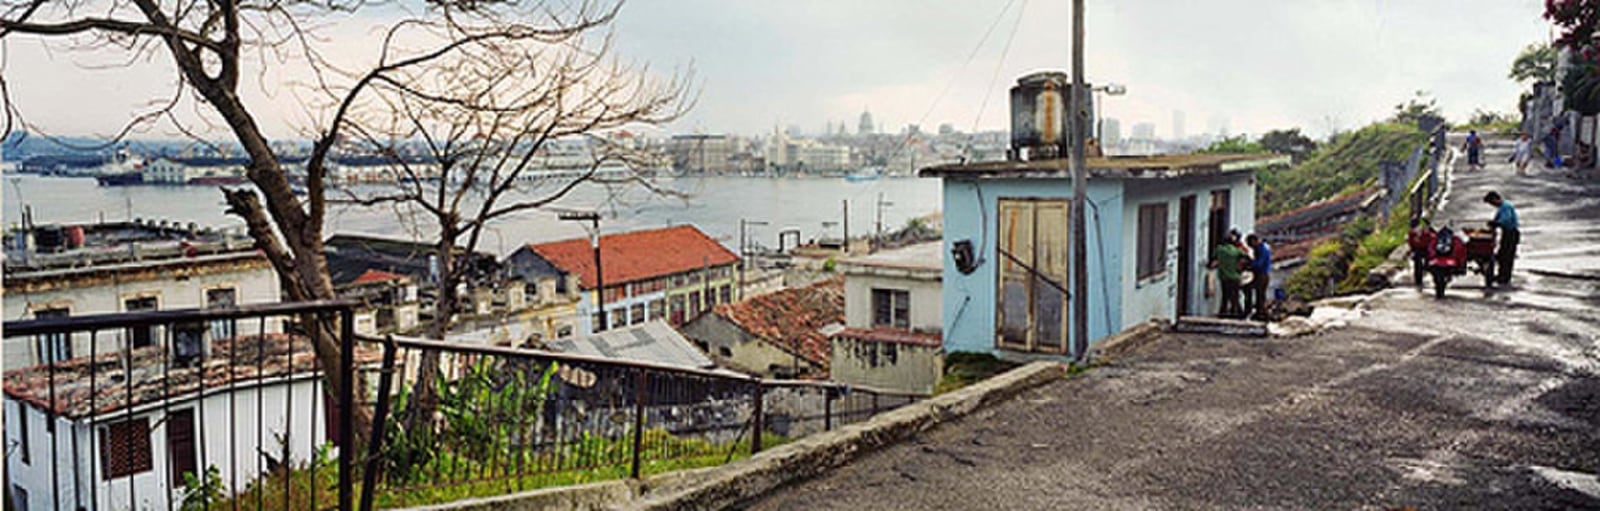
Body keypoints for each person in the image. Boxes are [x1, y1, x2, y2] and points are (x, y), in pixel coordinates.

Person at [1483, 191, 1519, 287]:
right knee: (1502, 254)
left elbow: (1505, 220)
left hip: (1511, 233)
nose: (1492, 205)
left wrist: (1496, 223)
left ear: (1495, 199)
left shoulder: (1506, 207)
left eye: (1492, 203)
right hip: (1506, 233)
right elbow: (1497, 219)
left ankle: (1505, 277)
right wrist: (1493, 223)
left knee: (1506, 255)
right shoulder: (1501, 208)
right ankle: (1502, 275)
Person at [1209, 231, 1248, 318]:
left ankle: (1223, 313)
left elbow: (1213, 260)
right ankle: (1236, 314)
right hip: (1235, 277)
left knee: (1225, 296)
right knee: (1235, 298)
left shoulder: (1219, 249)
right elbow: (1247, 257)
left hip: (1224, 277)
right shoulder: (1236, 251)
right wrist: (1240, 266)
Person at [1243, 233, 1272, 320]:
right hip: (1261, 274)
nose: (1250, 247)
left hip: (1262, 274)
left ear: (1254, 241)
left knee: (1259, 294)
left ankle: (1261, 313)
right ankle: (1259, 312)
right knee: (1259, 294)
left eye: (1250, 244)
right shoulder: (1263, 247)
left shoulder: (1262, 249)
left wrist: (1249, 266)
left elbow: (1259, 264)